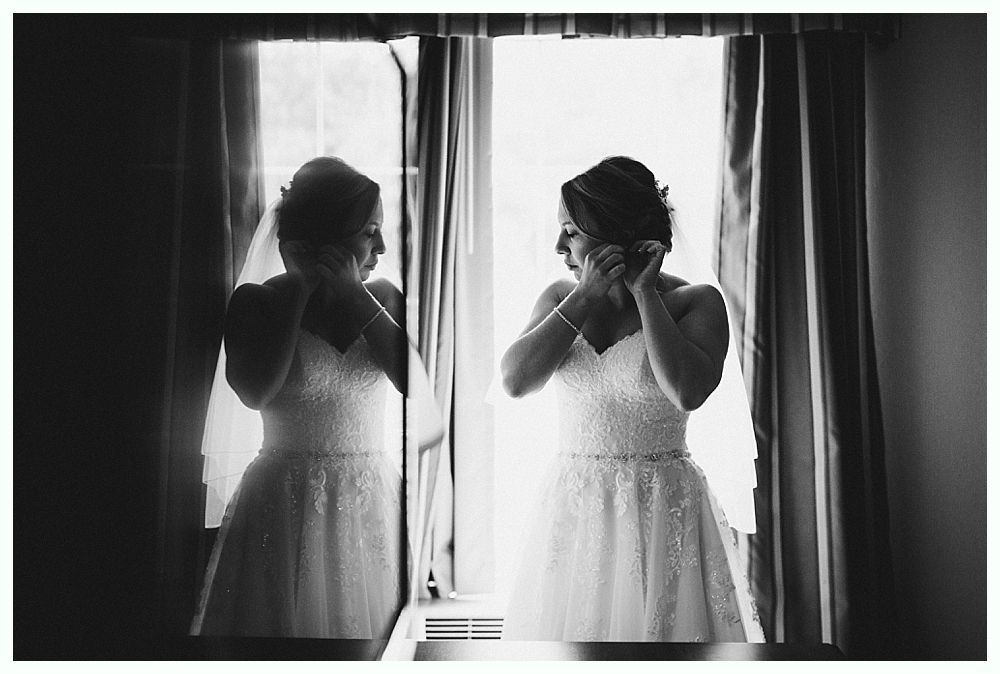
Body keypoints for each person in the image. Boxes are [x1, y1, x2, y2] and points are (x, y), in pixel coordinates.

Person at [500, 156, 764, 642]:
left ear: (614, 235)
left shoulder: (696, 302)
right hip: (576, 505)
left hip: (663, 507)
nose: (559, 246)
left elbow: (686, 391)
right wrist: (582, 297)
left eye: (571, 231)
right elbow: (516, 382)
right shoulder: (561, 297)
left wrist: (644, 291)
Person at [191, 157, 407, 639]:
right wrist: (299, 289)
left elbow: (415, 385)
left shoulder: (386, 299)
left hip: (368, 496)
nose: (383, 247)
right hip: (282, 502)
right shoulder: (256, 301)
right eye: (370, 231)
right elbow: (255, 392)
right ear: (326, 238)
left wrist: (355, 296)